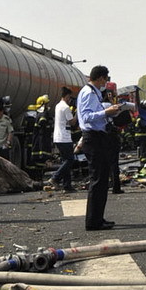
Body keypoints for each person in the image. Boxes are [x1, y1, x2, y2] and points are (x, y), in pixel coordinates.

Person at [76, 65, 122, 231]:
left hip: (98, 137)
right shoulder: (89, 92)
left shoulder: (93, 92)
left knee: (102, 180)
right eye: (105, 79)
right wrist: (106, 112)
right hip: (93, 138)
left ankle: (98, 218)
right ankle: (93, 222)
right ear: (101, 78)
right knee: (97, 180)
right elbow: (87, 117)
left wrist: (108, 110)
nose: (105, 82)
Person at [50, 87, 78, 192]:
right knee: (70, 160)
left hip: (58, 137)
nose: (70, 100)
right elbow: (72, 122)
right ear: (67, 96)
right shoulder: (66, 107)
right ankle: (55, 178)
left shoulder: (58, 106)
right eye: (70, 98)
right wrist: (77, 112)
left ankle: (67, 185)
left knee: (65, 160)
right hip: (64, 137)